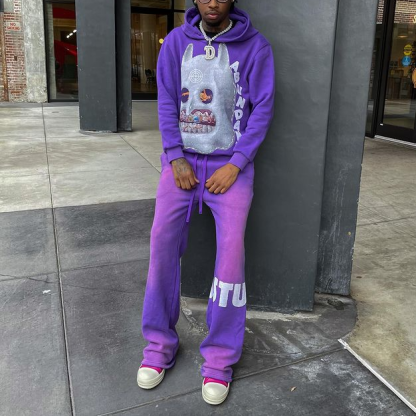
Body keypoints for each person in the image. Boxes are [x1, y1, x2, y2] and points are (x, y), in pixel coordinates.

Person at [137, 0, 275, 406]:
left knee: (231, 258)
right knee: (161, 245)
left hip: (230, 168)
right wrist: (175, 157)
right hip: (180, 164)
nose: (212, 1)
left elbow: (263, 108)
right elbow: (166, 98)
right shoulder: (175, 42)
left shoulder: (255, 46)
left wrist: (236, 164)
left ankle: (219, 360)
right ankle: (158, 346)